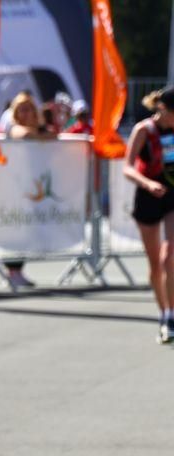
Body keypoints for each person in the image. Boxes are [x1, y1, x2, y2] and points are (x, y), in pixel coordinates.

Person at [122, 87, 174, 343]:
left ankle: (172, 315)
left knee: (169, 258)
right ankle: (163, 312)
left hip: (172, 196)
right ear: (162, 109)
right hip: (148, 196)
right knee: (155, 263)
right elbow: (127, 167)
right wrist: (147, 183)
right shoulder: (144, 130)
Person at [1, 93, 57, 289]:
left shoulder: (39, 129)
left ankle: (17, 270)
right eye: (22, 109)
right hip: (13, 186)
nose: (27, 113)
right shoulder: (13, 127)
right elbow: (23, 135)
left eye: (30, 109)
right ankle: (11, 270)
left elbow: (53, 135)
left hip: (32, 186)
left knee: (26, 228)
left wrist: (42, 133)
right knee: (15, 227)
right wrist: (41, 136)